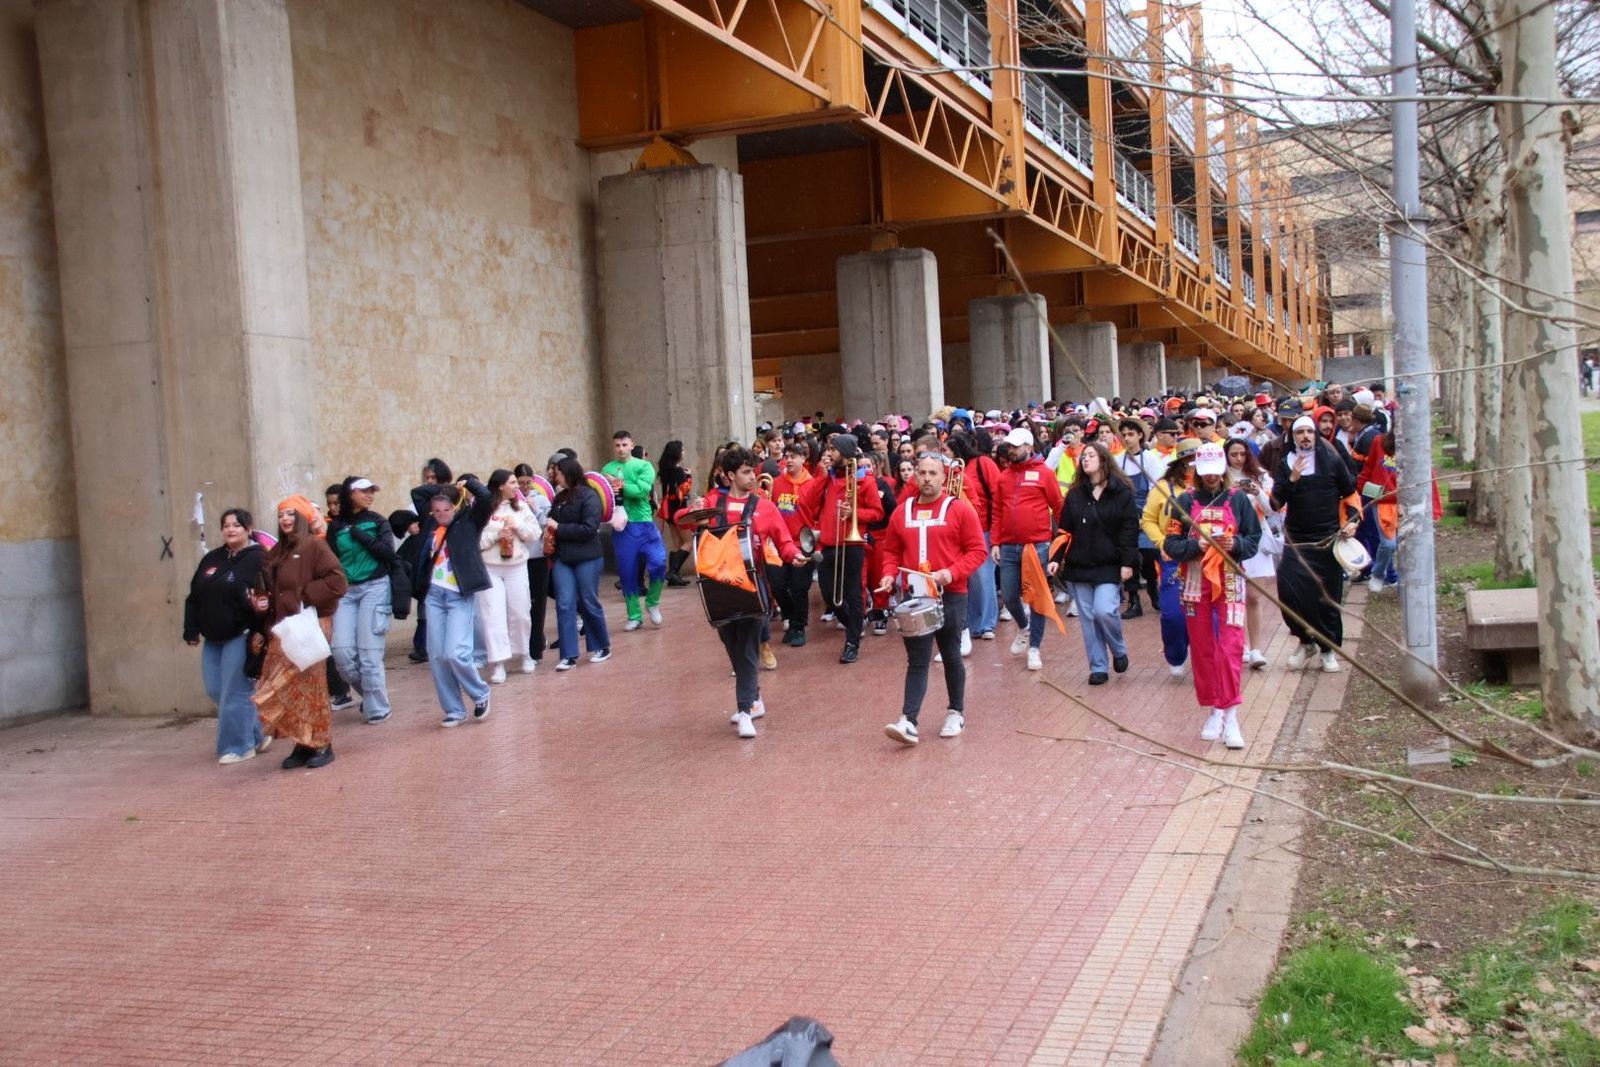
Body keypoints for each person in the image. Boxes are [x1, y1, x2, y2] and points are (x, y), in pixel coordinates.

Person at [676, 447, 805, 739]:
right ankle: (754, 699)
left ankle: (745, 710)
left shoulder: (765, 507)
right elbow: (681, 517)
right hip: (718, 586)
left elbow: (784, 541)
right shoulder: (713, 501)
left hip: (752, 585)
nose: (752, 477)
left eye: (753, 471)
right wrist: (694, 513)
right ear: (730, 475)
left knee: (747, 647)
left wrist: (794, 555)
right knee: (732, 643)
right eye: (746, 472)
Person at [878, 454, 989, 745]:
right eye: (922, 473)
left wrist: (952, 573)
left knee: (950, 653)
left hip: (951, 594)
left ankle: (956, 711)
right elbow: (891, 550)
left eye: (933, 473)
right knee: (917, 659)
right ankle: (908, 720)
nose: (927, 478)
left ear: (944, 477)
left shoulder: (959, 510)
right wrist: (888, 574)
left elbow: (978, 551)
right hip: (916, 596)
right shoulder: (901, 512)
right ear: (914, 476)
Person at [1162, 442, 1262, 748]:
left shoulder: (1238, 499)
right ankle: (1214, 709)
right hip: (1195, 582)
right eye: (1206, 472)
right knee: (1202, 648)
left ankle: (1231, 715)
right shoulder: (1184, 501)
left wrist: (1236, 545)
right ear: (1196, 471)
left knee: (1231, 646)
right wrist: (1196, 546)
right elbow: (1170, 543)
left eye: (1216, 472)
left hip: (1229, 581)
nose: (1211, 477)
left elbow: (1253, 538)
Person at [252, 496, 348, 768]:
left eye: (291, 514)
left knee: (311, 686)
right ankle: (302, 743)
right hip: (284, 626)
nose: (285, 519)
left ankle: (321, 743)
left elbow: (337, 582)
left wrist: (304, 596)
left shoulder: (314, 545)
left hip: (310, 623)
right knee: (289, 686)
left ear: (303, 518)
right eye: (281, 515)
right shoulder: (277, 551)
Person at [1271, 415, 1360, 672]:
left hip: (1327, 540)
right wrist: (1291, 480)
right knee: (1289, 592)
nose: (1305, 436)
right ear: (1293, 437)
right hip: (1296, 542)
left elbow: (1351, 494)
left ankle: (1328, 649)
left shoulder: (1331, 461)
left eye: (1309, 432)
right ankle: (1305, 641)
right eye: (1300, 432)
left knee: (1327, 597)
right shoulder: (1286, 464)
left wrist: (1352, 521)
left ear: (1316, 435)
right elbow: (1276, 503)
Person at [184, 508, 268, 764]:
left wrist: (260, 629)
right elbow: (194, 597)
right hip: (213, 637)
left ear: (248, 529)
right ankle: (256, 733)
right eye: (226, 525)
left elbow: (266, 598)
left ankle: (239, 747)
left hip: (241, 634)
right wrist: (191, 629)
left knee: (235, 691)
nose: (231, 529)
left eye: (236, 525)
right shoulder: (212, 558)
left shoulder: (258, 558)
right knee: (216, 690)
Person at [413, 477, 496, 725]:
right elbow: (417, 493)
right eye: (437, 510)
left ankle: (480, 693)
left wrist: (466, 484)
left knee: (456, 653)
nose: (441, 514)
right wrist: (443, 489)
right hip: (434, 596)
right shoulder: (431, 522)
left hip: (458, 594)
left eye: (446, 509)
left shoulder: (470, 521)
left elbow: (486, 498)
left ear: (456, 507)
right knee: (437, 655)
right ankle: (454, 709)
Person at [797, 434, 884, 664]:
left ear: (844, 453)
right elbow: (806, 501)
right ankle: (855, 624)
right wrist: (823, 476)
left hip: (852, 545)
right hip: (828, 544)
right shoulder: (828, 478)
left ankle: (852, 642)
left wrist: (855, 513)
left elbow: (877, 513)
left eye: (833, 450)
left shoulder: (865, 480)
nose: (828, 454)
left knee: (853, 594)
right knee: (829, 594)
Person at [1059, 442, 1140, 685]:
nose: (1085, 459)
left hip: (1109, 563)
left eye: (1091, 455)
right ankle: (1098, 666)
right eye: (1083, 456)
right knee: (1088, 619)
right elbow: (1064, 530)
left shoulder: (1121, 492)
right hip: (1079, 564)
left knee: (1104, 610)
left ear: (1104, 459)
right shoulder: (1075, 494)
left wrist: (1128, 562)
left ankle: (1118, 648)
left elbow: (1129, 529)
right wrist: (1055, 558)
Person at [991, 425, 1064, 671]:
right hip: (1009, 546)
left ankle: (1034, 647)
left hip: (1037, 545)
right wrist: (995, 542)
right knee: (1009, 595)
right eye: (1009, 446)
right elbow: (997, 511)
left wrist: (1063, 540)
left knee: (1037, 598)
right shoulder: (1003, 476)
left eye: (1015, 446)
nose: (1011, 450)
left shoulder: (1044, 474)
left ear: (1028, 447)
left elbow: (1058, 505)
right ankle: (1024, 627)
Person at [327, 477, 397, 725]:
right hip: (346, 592)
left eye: (372, 491)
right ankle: (370, 695)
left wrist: (363, 537)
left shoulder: (378, 521)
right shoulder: (336, 526)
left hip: (375, 587)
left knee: (369, 655)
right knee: (341, 654)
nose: (370, 495)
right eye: (364, 491)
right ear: (350, 494)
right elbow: (331, 560)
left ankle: (378, 708)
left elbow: (388, 553)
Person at [546, 454, 613, 671]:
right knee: (564, 603)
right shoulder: (559, 498)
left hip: (587, 556)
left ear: (568, 473)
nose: (555, 477)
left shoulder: (589, 495)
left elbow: (589, 528)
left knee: (588, 600)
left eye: (558, 473)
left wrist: (559, 528)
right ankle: (568, 654)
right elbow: (551, 521)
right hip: (563, 557)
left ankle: (601, 645)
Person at [475, 469, 541, 683]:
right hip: (490, 568)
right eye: (512, 482)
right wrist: (496, 534)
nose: (516, 486)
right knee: (492, 614)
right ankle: (498, 663)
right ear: (500, 485)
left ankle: (524, 653)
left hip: (517, 566)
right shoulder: (483, 509)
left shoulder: (521, 507)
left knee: (521, 612)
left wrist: (518, 527)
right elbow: (475, 541)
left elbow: (535, 533)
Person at [1142, 437, 1198, 678]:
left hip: (1205, 559)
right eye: (1188, 461)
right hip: (1173, 558)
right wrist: (1162, 543)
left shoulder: (1213, 488)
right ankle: (1175, 654)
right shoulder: (1163, 487)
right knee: (1173, 614)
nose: (1193, 466)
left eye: (1197, 461)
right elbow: (1148, 519)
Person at [603, 430, 668, 631]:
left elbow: (641, 491)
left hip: (645, 524)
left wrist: (617, 484)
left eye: (624, 444)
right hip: (622, 527)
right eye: (617, 445)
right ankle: (634, 615)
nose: (621, 449)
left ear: (632, 445)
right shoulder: (607, 468)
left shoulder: (644, 466)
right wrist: (611, 485)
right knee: (627, 572)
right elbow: (604, 495)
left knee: (659, 562)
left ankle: (652, 602)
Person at [1225, 438, 1278, 669]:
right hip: (1231, 540)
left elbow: (1271, 509)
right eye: (1233, 454)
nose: (1239, 459)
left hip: (1257, 538)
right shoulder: (1220, 476)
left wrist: (1258, 492)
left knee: (1254, 596)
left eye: (1242, 454)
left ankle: (1256, 648)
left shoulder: (1261, 475)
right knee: (1233, 596)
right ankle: (1241, 644)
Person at [947, 431, 1000, 647]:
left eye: (946, 450)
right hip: (958, 530)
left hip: (983, 527)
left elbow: (998, 494)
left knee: (982, 576)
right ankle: (971, 623)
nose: (943, 454)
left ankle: (986, 623)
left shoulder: (983, 463)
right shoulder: (949, 470)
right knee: (968, 577)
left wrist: (997, 533)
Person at [1115, 418, 1165, 618]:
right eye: (1124, 435)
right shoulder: (1118, 460)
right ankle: (1133, 599)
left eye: (1131, 434)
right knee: (1129, 557)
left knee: (1149, 553)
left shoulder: (1151, 459)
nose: (1127, 438)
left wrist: (1145, 517)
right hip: (1125, 516)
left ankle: (1153, 588)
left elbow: (1157, 489)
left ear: (1140, 435)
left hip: (1147, 514)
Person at [770, 441, 815, 646]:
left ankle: (798, 627)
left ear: (803, 459)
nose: (788, 460)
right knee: (778, 585)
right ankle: (789, 616)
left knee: (799, 588)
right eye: (786, 456)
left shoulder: (813, 484)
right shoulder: (776, 483)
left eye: (793, 456)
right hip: (779, 543)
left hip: (804, 544)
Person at [512, 464, 555, 664]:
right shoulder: (510, 502)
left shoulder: (542, 500)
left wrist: (535, 509)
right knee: (519, 605)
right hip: (517, 559)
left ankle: (535, 648)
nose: (524, 487)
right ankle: (522, 646)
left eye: (527, 483)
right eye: (520, 483)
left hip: (537, 557)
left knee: (537, 604)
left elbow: (548, 526)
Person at [656, 441, 695, 587]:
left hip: (669, 510)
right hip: (679, 509)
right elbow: (685, 490)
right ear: (677, 453)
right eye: (682, 450)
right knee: (689, 542)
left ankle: (673, 576)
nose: (684, 452)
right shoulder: (678, 471)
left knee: (677, 543)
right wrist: (689, 476)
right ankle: (672, 572)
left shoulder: (665, 469)